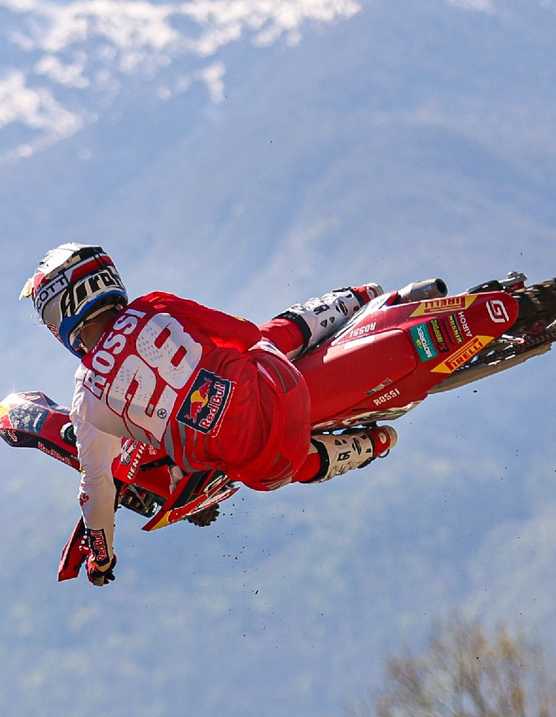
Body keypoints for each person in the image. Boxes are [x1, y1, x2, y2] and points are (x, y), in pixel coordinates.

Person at [22, 243, 393, 585]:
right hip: (281, 380)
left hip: (272, 461)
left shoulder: (86, 399)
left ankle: (374, 444)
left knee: (274, 468)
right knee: (266, 336)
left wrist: (101, 559)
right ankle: (354, 298)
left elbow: (95, 491)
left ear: (60, 315)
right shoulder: (155, 305)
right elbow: (243, 332)